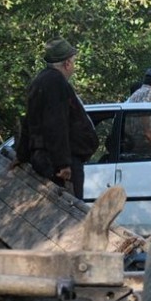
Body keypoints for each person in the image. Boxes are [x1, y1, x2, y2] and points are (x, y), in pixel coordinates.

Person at [16, 38, 98, 198]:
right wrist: (64, 164)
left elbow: (29, 121)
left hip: (46, 158)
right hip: (58, 164)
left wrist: (21, 154)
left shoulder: (39, 81)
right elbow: (56, 125)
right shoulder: (56, 83)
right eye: (73, 62)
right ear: (67, 63)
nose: (73, 67)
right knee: (70, 209)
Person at [126, 67, 151, 154]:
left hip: (137, 138)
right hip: (148, 140)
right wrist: (149, 134)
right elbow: (144, 109)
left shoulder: (136, 93)